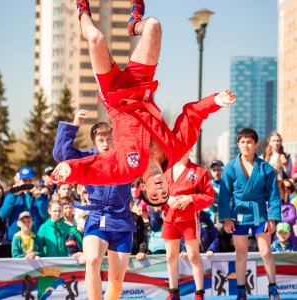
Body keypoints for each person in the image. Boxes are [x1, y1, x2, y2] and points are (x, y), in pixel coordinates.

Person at [51, 0, 236, 208]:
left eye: (154, 195)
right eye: (164, 193)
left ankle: (82, 10)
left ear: (142, 189)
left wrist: (70, 170)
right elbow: (191, 116)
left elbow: (97, 169)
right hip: (141, 87)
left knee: (95, 38)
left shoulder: (125, 170)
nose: (160, 191)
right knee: (153, 26)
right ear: (168, 184)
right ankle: (134, 24)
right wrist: (215, 101)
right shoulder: (174, 152)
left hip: (114, 96)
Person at [52, 108, 136, 300]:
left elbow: (149, 160)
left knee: (116, 280)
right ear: (93, 142)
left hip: (121, 222)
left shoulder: (126, 158)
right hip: (97, 218)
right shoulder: (87, 158)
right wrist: (75, 125)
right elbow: (61, 154)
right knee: (92, 260)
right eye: (101, 140)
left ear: (115, 140)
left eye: (109, 139)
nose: (105, 144)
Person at [218, 128, 282, 300]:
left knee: (266, 252)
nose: (246, 145)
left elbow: (274, 194)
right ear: (238, 144)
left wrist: (272, 218)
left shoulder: (265, 168)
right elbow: (224, 195)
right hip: (238, 215)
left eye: (249, 142)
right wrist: (225, 219)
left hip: (260, 214)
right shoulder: (230, 168)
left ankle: (273, 288)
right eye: (243, 142)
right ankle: (241, 291)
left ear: (255, 144)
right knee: (240, 253)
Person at [161, 151, 214, 300]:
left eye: (187, 147)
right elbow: (156, 190)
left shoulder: (199, 172)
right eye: (180, 147)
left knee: (193, 255)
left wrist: (190, 198)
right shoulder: (165, 169)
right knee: (171, 255)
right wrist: (167, 199)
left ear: (191, 149)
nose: (183, 151)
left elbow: (209, 196)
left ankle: (199, 294)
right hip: (170, 218)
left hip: (189, 218)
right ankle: (173, 292)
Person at [0, 166, 50, 248]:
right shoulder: (11, 196)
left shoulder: (42, 197)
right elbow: (3, 215)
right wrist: (13, 196)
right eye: (24, 181)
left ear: (34, 179)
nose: (27, 183)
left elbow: (46, 216)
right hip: (15, 241)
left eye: (30, 180)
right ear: (19, 181)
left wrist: (39, 199)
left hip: (36, 239)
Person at [277, 180, 297, 248]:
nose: (277, 194)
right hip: (272, 240)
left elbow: (292, 219)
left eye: (280, 192)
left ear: (283, 193)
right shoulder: (265, 205)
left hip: (290, 241)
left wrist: (275, 219)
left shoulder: (290, 206)